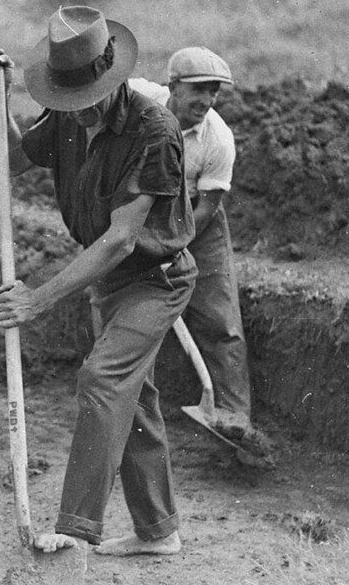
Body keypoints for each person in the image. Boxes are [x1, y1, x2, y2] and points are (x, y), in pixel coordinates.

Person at [0, 5, 197, 556]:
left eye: (83, 100)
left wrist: (39, 300)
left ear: (114, 77)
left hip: (155, 279)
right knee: (134, 400)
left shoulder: (155, 130)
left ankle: (74, 531)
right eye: (64, 101)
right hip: (110, 283)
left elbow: (123, 238)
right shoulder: (65, 118)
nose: (75, 112)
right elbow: (16, 160)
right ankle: (159, 532)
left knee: (102, 381)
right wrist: (0, 99)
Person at [128, 48, 257, 438]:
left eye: (213, 92)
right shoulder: (136, 101)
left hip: (198, 221)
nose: (206, 100)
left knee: (220, 319)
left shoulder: (218, 139)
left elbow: (206, 208)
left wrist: (169, 246)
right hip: (138, 211)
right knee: (128, 309)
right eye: (198, 90)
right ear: (172, 86)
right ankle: (130, 407)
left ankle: (235, 417)